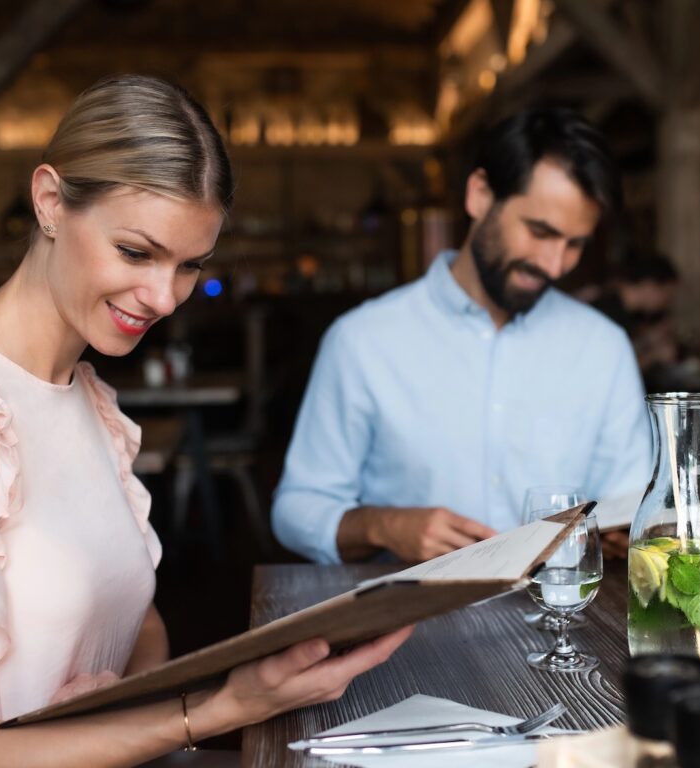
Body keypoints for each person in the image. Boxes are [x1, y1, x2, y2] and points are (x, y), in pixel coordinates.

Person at [0, 74, 411, 765]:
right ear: (49, 202)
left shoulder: (90, 403)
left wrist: (124, 708)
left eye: (190, 265)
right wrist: (214, 710)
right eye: (136, 251)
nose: (163, 297)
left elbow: (137, 623)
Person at [272, 105, 652, 565]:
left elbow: (633, 502)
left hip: (564, 625)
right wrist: (385, 525)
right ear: (479, 195)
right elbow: (296, 509)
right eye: (539, 231)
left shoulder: (603, 349)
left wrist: (634, 530)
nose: (555, 265)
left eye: (574, 244)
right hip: (406, 629)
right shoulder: (361, 341)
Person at [590, 251, 679, 375]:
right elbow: (612, 368)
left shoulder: (622, 309)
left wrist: (648, 339)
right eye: (667, 294)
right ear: (649, 285)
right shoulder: (609, 312)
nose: (666, 302)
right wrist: (655, 356)